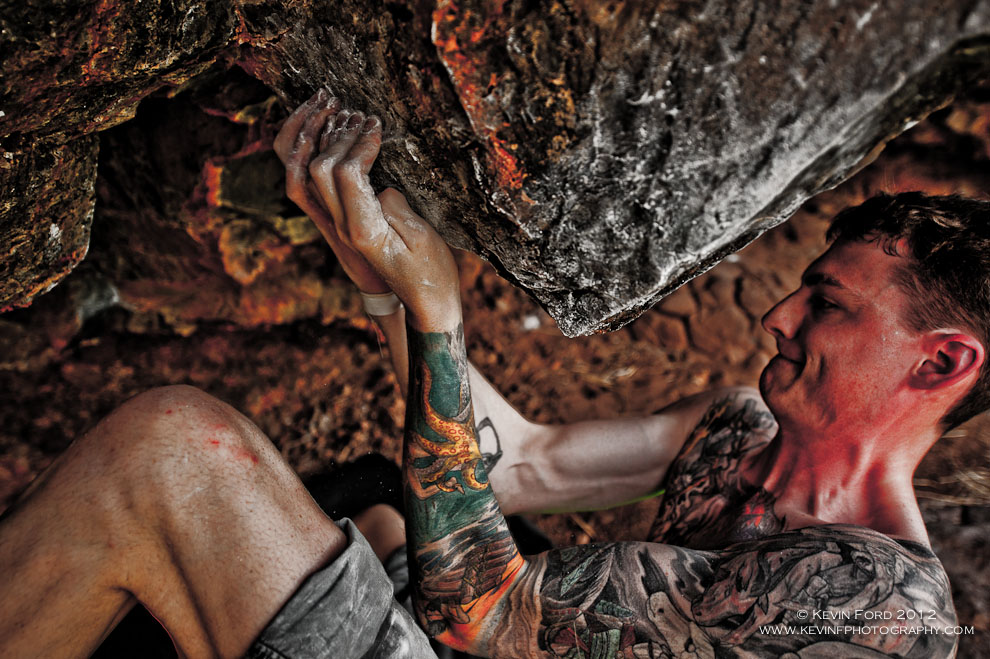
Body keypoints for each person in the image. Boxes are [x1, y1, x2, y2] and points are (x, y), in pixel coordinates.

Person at [0, 89, 983, 658]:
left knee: (172, 450)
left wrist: (438, 314)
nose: (779, 315)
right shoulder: (735, 434)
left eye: (829, 304)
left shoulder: (877, 604)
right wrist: (383, 287)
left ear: (941, 360)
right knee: (387, 510)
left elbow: (488, 615)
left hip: (485, 637)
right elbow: (520, 464)